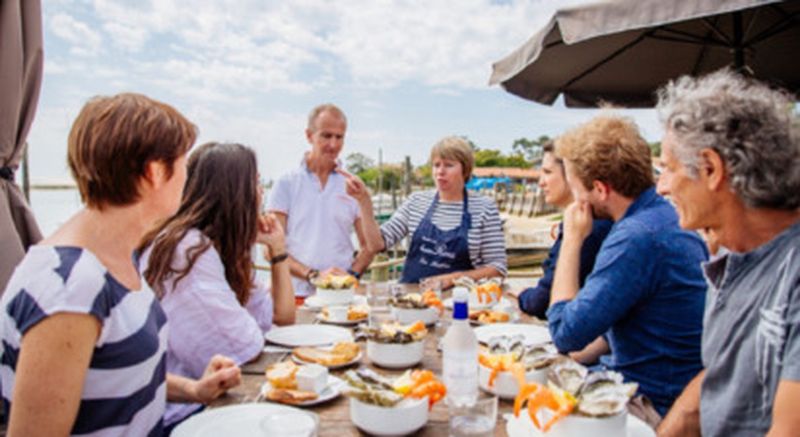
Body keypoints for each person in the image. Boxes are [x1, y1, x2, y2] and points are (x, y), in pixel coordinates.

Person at [0, 93, 241, 436]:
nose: (188, 177)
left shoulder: (113, 258)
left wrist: (193, 390)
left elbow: (112, 368)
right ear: (154, 171)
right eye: (184, 163)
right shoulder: (68, 287)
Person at [654, 70, 800, 437]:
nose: (661, 187)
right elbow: (717, 379)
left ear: (711, 168)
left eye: (668, 169)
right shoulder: (733, 256)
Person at [546, 114, 708, 416]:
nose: (574, 200)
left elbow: (564, 332)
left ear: (600, 189)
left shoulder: (636, 238)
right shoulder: (663, 218)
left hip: (652, 403)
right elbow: (635, 321)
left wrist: (571, 241)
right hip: (667, 384)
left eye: (575, 189)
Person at [140, 142, 295, 430]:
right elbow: (243, 348)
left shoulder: (219, 247)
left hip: (201, 405)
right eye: (256, 182)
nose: (261, 192)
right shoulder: (185, 253)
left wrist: (278, 249)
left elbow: (282, 317)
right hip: (175, 418)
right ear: (234, 192)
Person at [355, 136, 506, 288]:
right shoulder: (416, 202)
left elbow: (498, 269)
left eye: (449, 165)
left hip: (461, 303)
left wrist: (454, 279)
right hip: (411, 300)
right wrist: (364, 201)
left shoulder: (485, 208)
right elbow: (377, 244)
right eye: (436, 165)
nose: (440, 171)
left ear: (465, 170)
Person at [267, 104, 373, 301]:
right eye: (326, 136)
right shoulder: (286, 183)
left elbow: (369, 246)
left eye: (339, 137)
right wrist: (313, 275)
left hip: (341, 297)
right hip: (293, 296)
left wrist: (352, 276)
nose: (333, 144)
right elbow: (270, 249)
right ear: (309, 136)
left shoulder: (352, 185)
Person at [517, 142, 611, 319]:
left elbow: (542, 301)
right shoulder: (591, 222)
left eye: (547, 172)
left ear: (571, 175)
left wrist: (521, 296)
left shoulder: (589, 229)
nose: (541, 182)